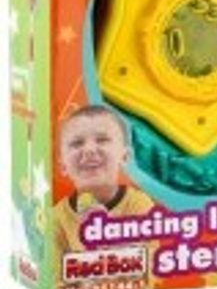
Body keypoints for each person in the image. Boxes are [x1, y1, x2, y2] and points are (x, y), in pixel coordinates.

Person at [52, 104, 154, 258]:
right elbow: (53, 271)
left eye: (102, 140)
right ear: (63, 166)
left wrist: (107, 234)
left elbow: (149, 263)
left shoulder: (139, 206)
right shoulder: (57, 219)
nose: (89, 149)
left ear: (125, 157)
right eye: (77, 143)